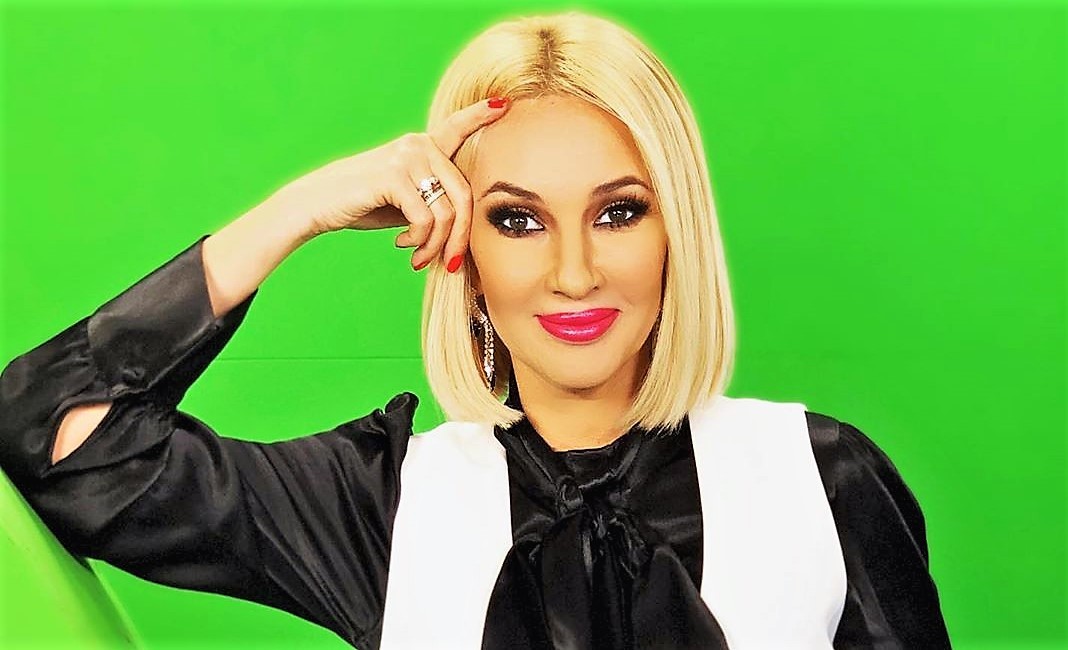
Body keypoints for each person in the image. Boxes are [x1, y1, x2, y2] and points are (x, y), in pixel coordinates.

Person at [0, 11, 951, 650]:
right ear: (463, 245)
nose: (574, 271)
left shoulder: (823, 478)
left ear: (679, 234)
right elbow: (58, 436)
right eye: (518, 219)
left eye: (619, 211)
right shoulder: (386, 503)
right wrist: (307, 206)